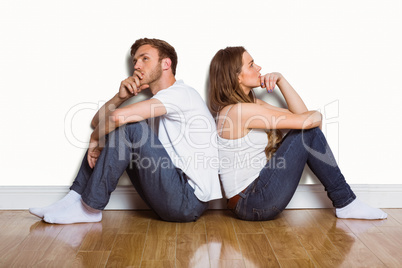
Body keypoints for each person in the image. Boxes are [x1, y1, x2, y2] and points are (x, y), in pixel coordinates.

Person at [29, 38, 222, 224]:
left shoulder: (181, 93)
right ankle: (72, 199)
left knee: (129, 126)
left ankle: (90, 209)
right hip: (174, 194)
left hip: (187, 200)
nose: (137, 65)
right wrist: (121, 97)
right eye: (135, 61)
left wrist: (94, 138)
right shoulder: (160, 100)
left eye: (145, 58)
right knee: (120, 125)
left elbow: (115, 119)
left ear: (166, 63)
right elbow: (98, 121)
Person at [208, 46, 387, 221]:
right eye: (251, 64)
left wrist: (281, 80)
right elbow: (307, 121)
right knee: (307, 132)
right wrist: (318, 115)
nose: (259, 68)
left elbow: (301, 115)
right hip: (252, 201)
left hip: (250, 200)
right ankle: (346, 202)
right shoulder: (239, 111)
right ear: (237, 76)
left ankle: (346, 202)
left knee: (308, 131)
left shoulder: (248, 105)